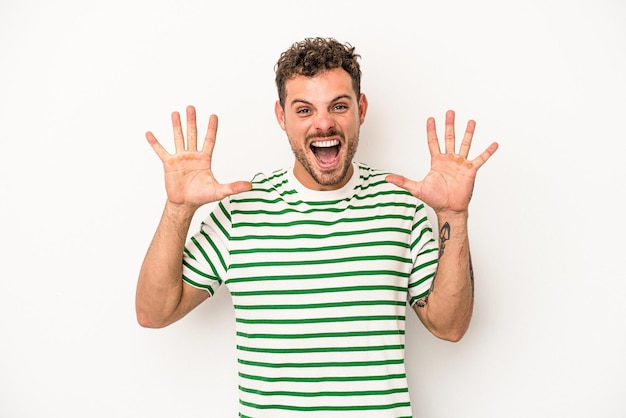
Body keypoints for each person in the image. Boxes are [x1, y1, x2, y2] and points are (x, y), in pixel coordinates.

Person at [136, 37, 498, 417]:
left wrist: (454, 216)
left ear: (361, 108)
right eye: (304, 109)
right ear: (282, 116)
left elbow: (450, 327)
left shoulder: (400, 204)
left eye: (338, 106)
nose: (323, 123)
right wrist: (178, 208)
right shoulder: (240, 210)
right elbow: (153, 313)